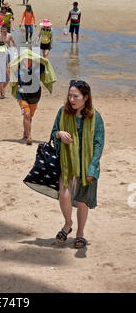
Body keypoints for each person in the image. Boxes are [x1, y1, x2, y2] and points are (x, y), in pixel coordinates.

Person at [51, 80, 105, 248]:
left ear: (86, 97)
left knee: (82, 201)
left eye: (76, 96)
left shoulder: (95, 117)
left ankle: (80, 233)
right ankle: (68, 224)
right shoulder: (63, 112)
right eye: (69, 95)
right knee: (64, 194)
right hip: (67, 161)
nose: (72, 99)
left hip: (87, 163)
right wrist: (59, 134)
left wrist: (93, 166)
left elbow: (98, 143)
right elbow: (53, 134)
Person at [9, 48, 56, 145]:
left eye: (29, 59)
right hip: (22, 95)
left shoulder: (38, 68)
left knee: (29, 116)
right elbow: (11, 73)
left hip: (35, 95)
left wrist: (44, 59)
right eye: (24, 60)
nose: (26, 62)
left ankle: (25, 133)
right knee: (26, 114)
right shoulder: (19, 69)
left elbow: (47, 66)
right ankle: (29, 136)